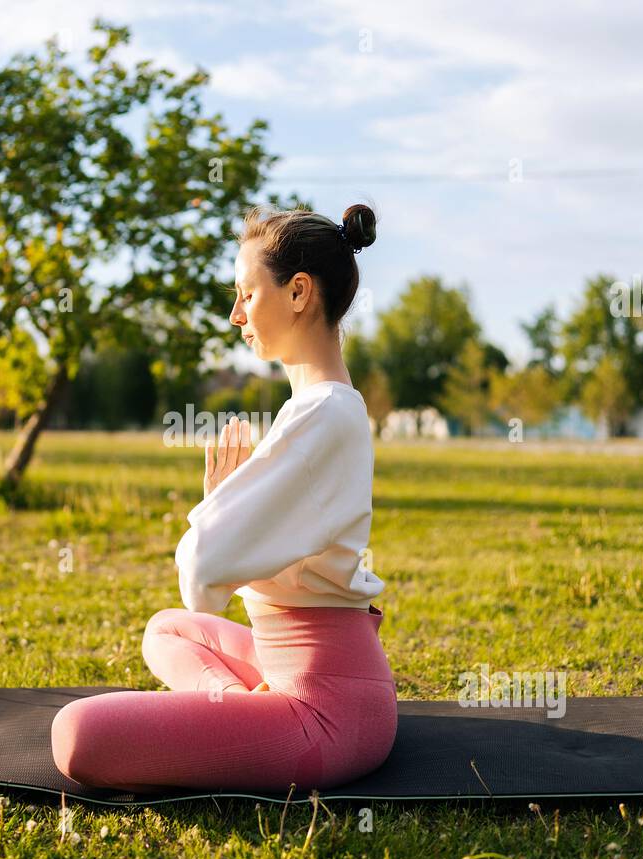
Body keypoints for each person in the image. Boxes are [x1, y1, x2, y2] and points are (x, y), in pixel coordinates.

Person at [50, 203, 396, 794]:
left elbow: (203, 569)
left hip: (327, 714)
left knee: (77, 735)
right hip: (317, 675)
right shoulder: (327, 408)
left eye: (246, 294)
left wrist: (219, 512)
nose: (236, 314)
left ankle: (248, 713)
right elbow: (214, 592)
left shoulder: (322, 414)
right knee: (167, 631)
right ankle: (243, 706)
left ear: (298, 293)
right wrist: (229, 507)